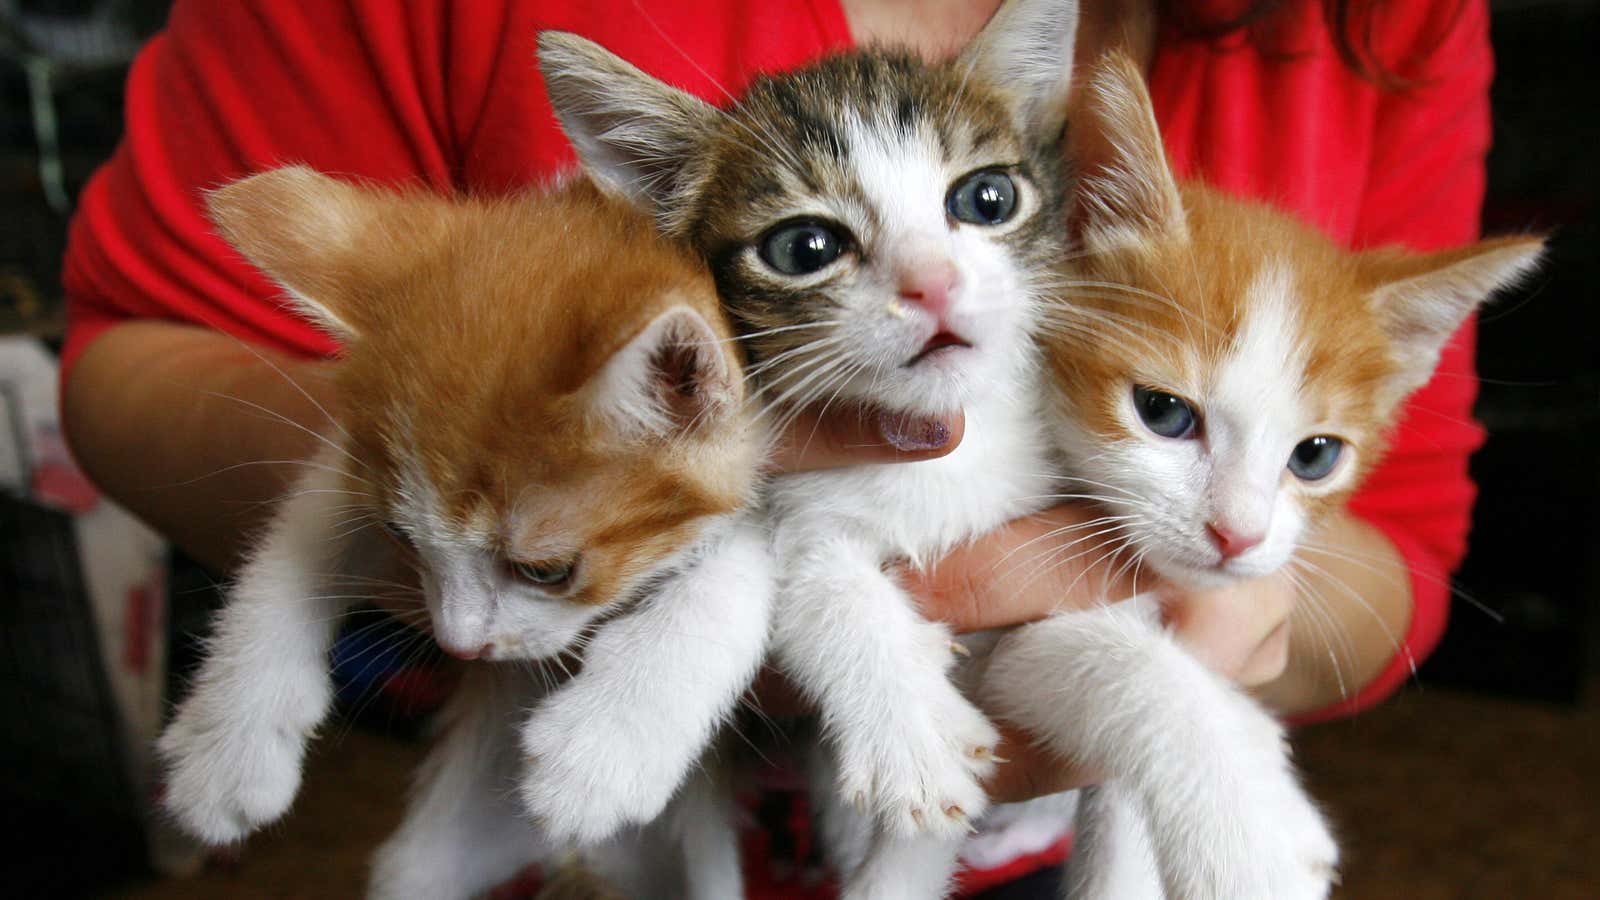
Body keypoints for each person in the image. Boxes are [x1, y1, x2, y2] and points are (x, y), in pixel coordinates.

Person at [59, 0, 1491, 894]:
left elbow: (1401, 540)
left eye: (991, 206)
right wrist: (513, 457)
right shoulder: (675, 289)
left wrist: (1215, 646)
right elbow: (141, 343)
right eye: (815, 246)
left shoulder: (1369, 36)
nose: (938, 291)